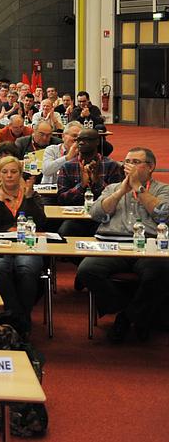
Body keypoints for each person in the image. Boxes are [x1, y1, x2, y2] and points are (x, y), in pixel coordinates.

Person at [76, 147, 169, 343]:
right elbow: (96, 214)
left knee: (160, 272)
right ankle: (134, 312)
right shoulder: (113, 188)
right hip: (112, 244)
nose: (129, 165)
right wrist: (120, 192)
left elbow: (163, 215)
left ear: (150, 167)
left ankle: (126, 319)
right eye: (127, 161)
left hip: (150, 246)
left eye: (135, 162)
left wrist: (139, 189)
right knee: (86, 271)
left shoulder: (163, 189)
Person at [0, 156, 46, 334]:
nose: (9, 176)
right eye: (4, 172)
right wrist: (0, 201)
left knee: (26, 268)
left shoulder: (32, 194)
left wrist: (29, 199)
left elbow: (41, 223)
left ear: (20, 174)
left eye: (14, 172)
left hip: (27, 245)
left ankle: (16, 318)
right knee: (0, 267)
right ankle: (20, 319)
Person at [56, 127, 123, 236]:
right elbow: (62, 199)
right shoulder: (68, 166)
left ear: (97, 142)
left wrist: (97, 181)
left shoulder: (111, 165)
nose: (81, 142)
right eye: (79, 140)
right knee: (65, 230)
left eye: (86, 139)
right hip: (76, 218)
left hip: (103, 216)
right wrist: (81, 185)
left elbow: (116, 198)